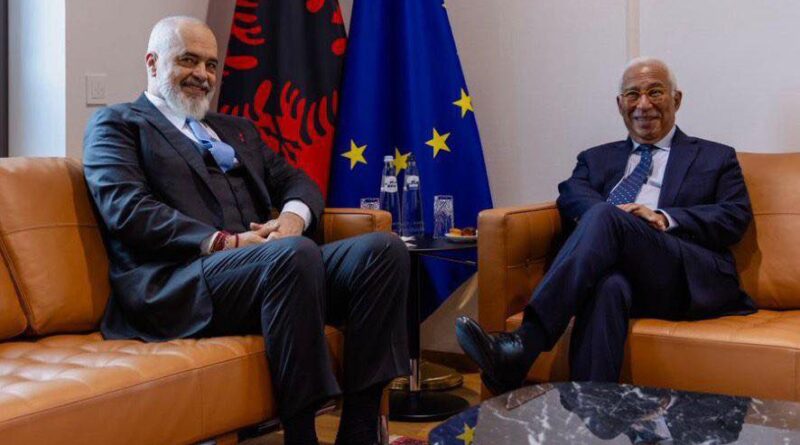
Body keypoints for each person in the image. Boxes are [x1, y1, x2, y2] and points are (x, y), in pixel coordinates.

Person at [83, 16, 409, 445]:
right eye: (188, 60)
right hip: (179, 283)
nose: (203, 75)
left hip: (268, 270)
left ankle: (360, 430)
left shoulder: (236, 131)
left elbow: (298, 181)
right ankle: (302, 436)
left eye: (211, 65)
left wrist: (292, 219)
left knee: (383, 251)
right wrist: (227, 242)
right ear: (153, 63)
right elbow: (127, 209)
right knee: (292, 255)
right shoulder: (118, 125)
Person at [456, 57, 755, 395]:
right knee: (607, 286)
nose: (643, 105)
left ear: (677, 99)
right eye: (633, 95)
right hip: (617, 272)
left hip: (680, 274)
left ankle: (525, 343)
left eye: (655, 92)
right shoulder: (595, 158)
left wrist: (662, 217)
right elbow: (571, 195)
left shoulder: (715, 156)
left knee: (605, 216)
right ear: (620, 104)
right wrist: (615, 222)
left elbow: (734, 216)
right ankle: (595, 413)